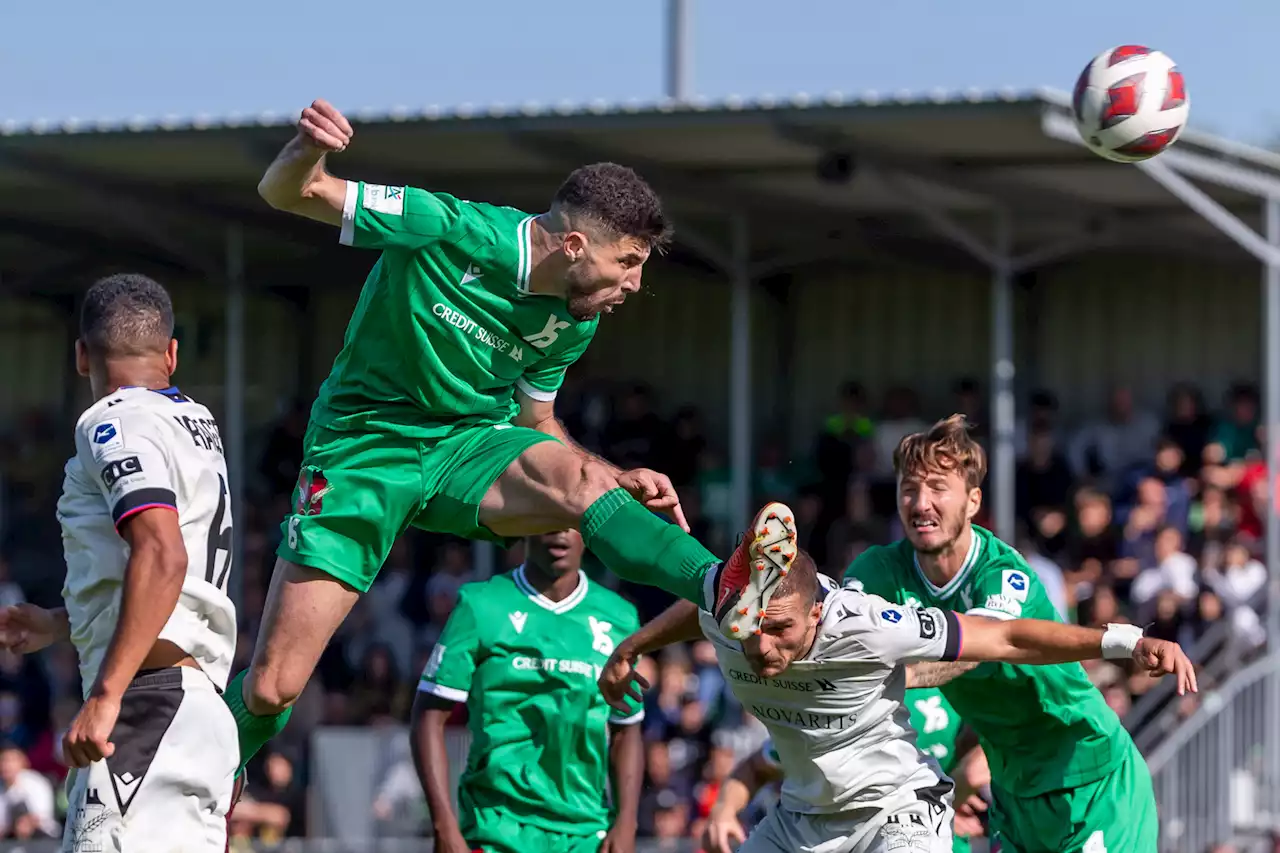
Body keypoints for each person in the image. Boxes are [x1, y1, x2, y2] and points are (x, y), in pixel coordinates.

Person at [225, 98, 743, 781]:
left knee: (586, 484)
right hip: (363, 449)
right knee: (273, 686)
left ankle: (723, 582)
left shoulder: (575, 318)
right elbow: (289, 191)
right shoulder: (447, 227)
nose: (636, 283)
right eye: (629, 262)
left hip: (469, 447)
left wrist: (611, 476)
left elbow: (536, 426)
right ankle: (204, 787)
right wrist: (307, 151)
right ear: (577, 246)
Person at [598, 501, 1195, 853]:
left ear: (816, 612)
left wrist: (1122, 641)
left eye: (779, 629)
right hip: (805, 818)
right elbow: (701, 603)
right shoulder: (734, 615)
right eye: (749, 626)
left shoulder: (868, 625)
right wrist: (635, 644)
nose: (759, 644)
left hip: (897, 813)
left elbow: (1006, 637)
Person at [844, 414, 1165, 853]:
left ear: (973, 501)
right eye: (909, 488)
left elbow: (974, 651)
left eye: (938, 488)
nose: (921, 503)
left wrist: (888, 676)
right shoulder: (878, 571)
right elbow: (834, 634)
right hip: (1015, 794)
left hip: (1090, 782)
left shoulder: (1003, 574)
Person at [0, 274, 238, 851]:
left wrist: (106, 696)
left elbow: (162, 553)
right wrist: (64, 622)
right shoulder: (193, 422)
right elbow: (172, 569)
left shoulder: (113, 420)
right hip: (193, 706)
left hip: (143, 710)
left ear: (82, 356)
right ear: (171, 354)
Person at [412, 529, 643, 853]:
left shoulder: (619, 618)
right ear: (525, 523)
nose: (558, 530)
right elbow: (428, 717)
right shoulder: (480, 605)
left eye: (569, 520)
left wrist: (627, 822)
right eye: (548, 517)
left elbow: (627, 729)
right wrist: (444, 824)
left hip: (586, 834)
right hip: (495, 827)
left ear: (587, 532)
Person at [702, 691, 985, 853]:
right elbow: (758, 765)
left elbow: (985, 759)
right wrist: (723, 812)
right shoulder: (838, 707)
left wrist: (950, 797)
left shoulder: (949, 693)